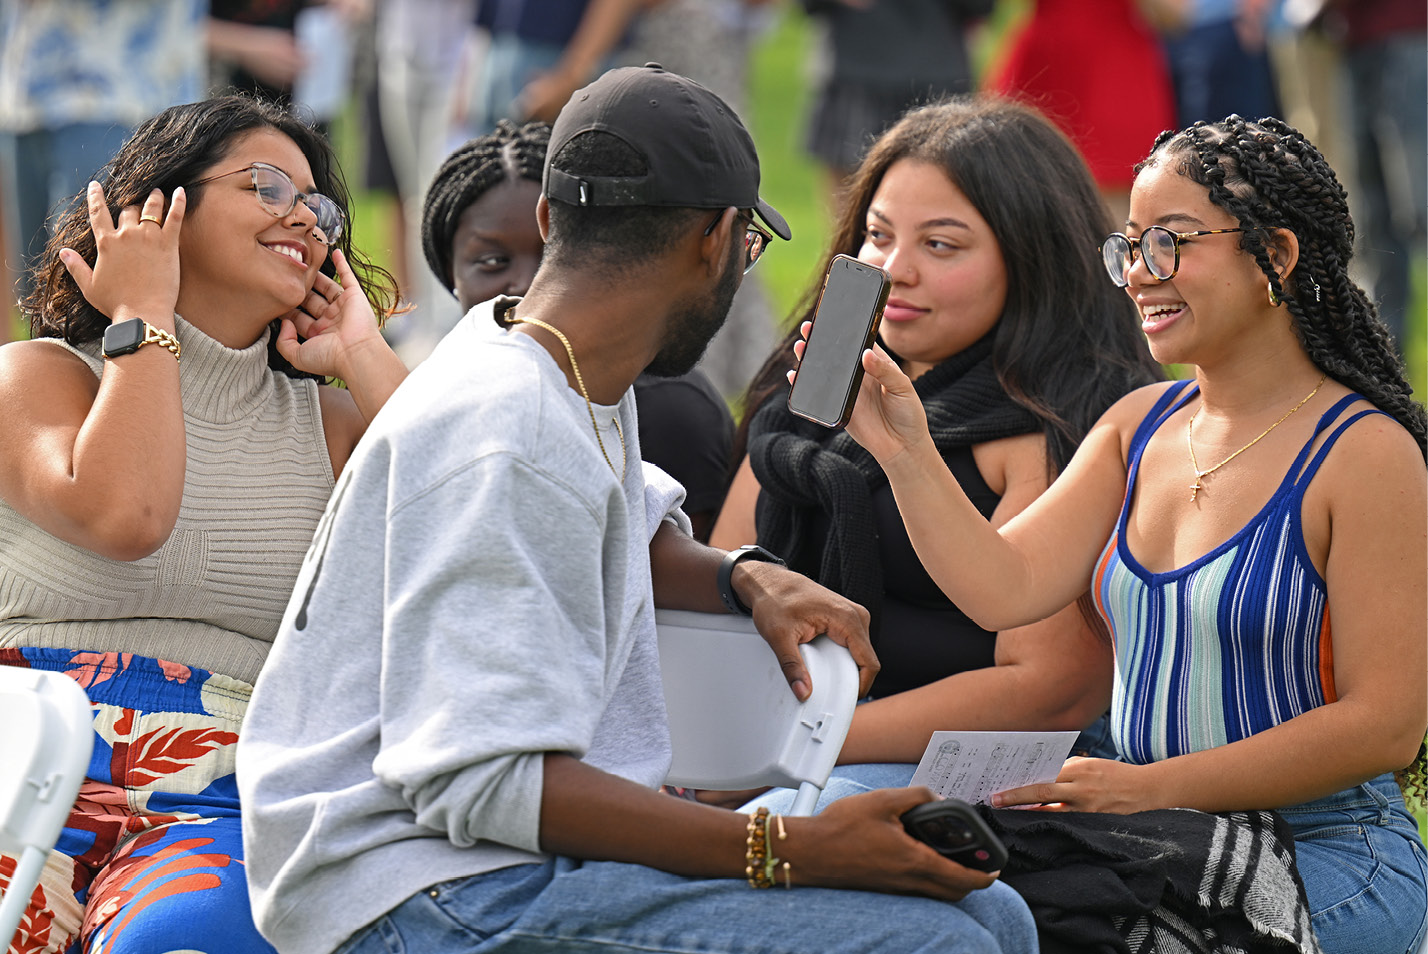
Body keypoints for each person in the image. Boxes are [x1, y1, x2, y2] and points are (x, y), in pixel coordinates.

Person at [237, 65, 1038, 954]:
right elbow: (481, 786)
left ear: (550, 220)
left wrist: (743, 574)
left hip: (483, 858)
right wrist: (787, 849)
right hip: (416, 889)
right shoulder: (507, 431)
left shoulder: (540, 346)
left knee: (995, 916)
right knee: (941, 945)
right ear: (720, 240)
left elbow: (616, 523)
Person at [832, 115, 1428, 954]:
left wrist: (1147, 790)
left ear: (1278, 257)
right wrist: (905, 451)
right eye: (1132, 247)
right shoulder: (1138, 427)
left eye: (1172, 244)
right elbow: (1000, 584)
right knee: (923, 900)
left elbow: (1385, 725)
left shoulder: (1365, 455)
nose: (1141, 275)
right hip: (1141, 826)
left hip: (1323, 850)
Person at [0, 94, 407, 953]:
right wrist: (140, 320)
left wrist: (363, 354)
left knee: (178, 939)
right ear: (158, 210)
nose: (305, 217)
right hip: (21, 756)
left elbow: (478, 509)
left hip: (223, 789)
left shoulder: (333, 429)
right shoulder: (37, 379)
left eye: (319, 206)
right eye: (266, 185)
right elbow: (126, 512)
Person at [712, 97, 1163, 764]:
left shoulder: (1070, 417)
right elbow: (725, 584)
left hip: (959, 764)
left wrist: (794, 753)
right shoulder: (825, 365)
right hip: (766, 735)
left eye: (941, 244)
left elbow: (1050, 690)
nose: (895, 269)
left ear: (1032, 257)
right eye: (878, 233)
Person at [419, 118, 735, 540]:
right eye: (493, 262)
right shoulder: (433, 396)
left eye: (552, 254)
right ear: (449, 275)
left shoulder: (669, 412)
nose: (526, 285)